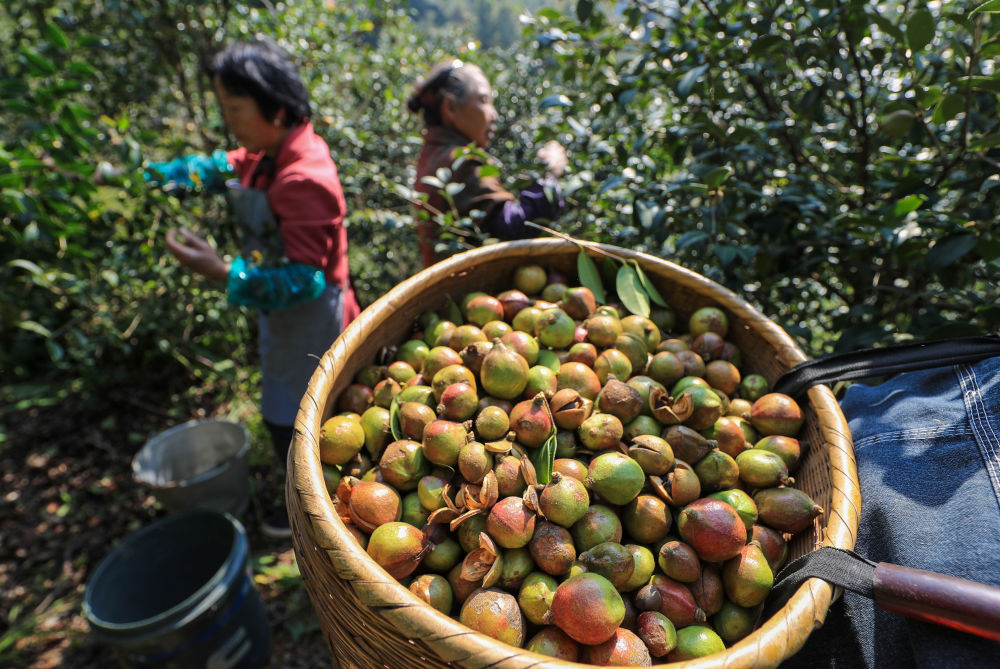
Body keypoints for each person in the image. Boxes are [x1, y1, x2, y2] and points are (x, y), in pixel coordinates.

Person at [160, 39, 360, 538]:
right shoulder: (268, 151)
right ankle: (308, 504)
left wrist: (222, 271)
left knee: (303, 421)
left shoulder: (304, 176)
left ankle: (320, 515)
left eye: (235, 108)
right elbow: (230, 162)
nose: (229, 120)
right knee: (288, 412)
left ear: (274, 108)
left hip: (315, 319)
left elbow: (305, 278)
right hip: (284, 317)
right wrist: (176, 175)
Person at [407, 59, 567, 267]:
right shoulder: (461, 162)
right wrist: (548, 177)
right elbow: (514, 232)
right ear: (451, 108)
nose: (494, 115)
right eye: (483, 100)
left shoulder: (431, 155)